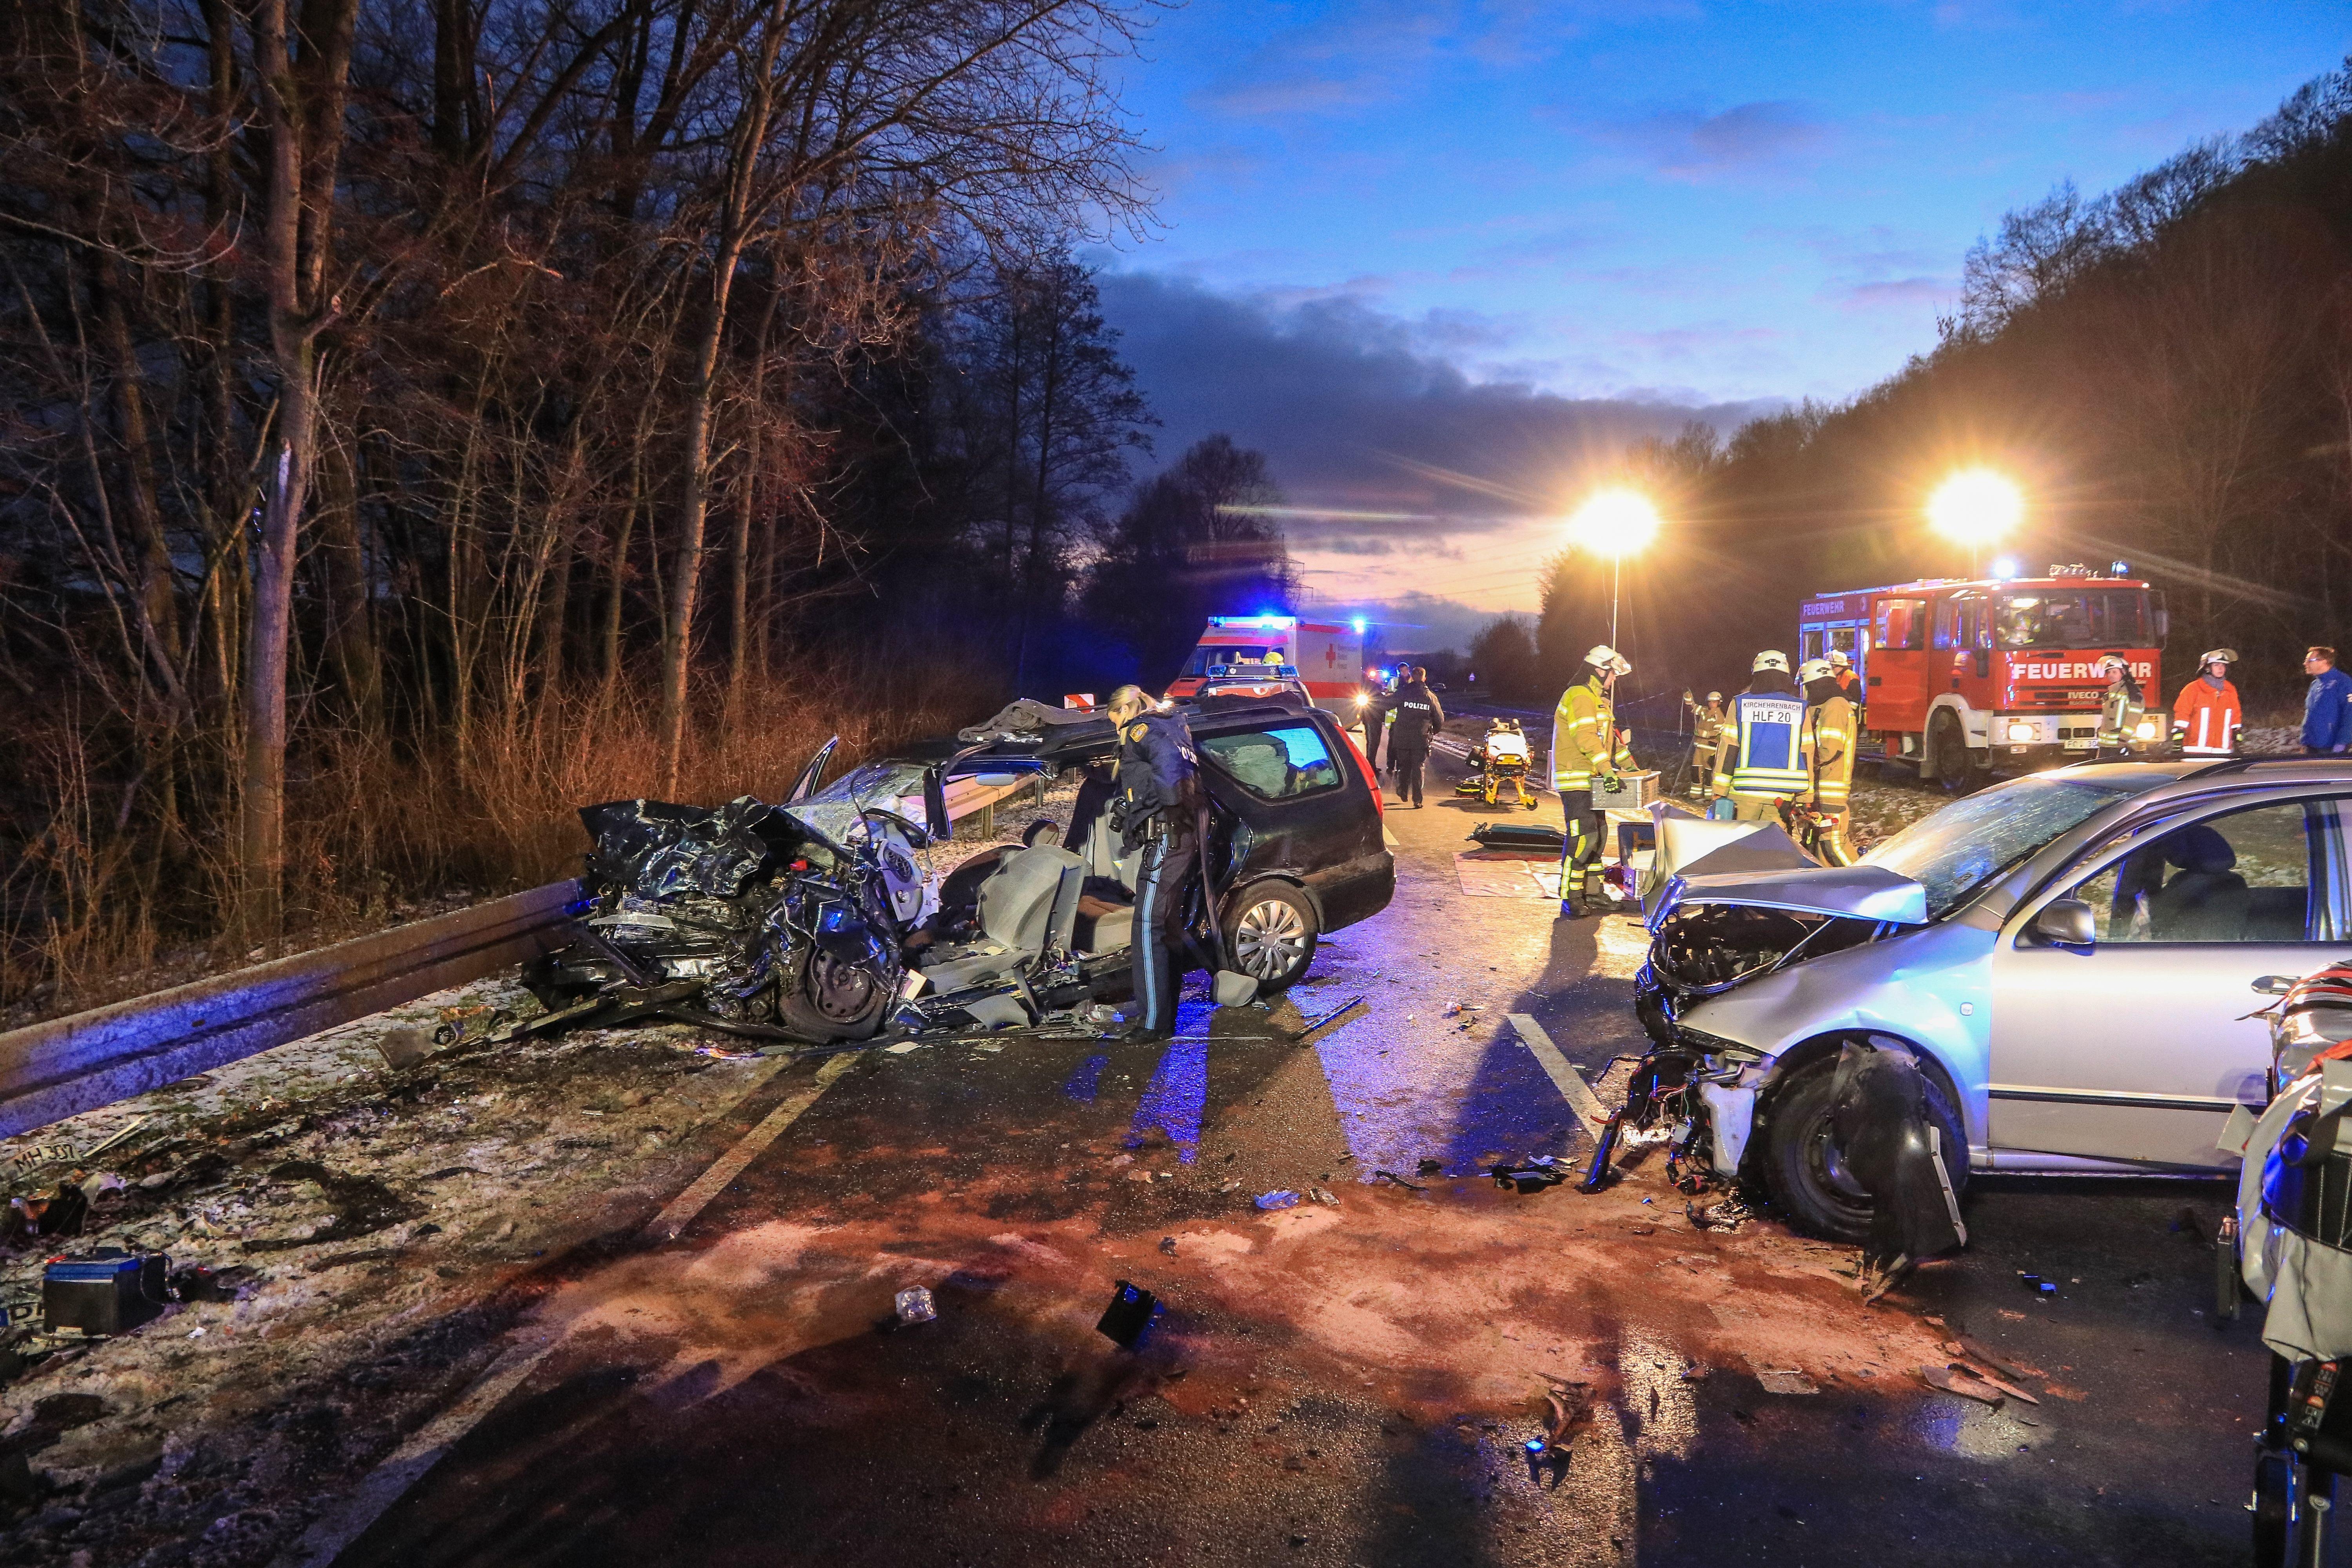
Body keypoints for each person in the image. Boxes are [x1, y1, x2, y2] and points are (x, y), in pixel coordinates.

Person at [1104, 684, 1203, 1040]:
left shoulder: (1142, 729)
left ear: (1124, 710)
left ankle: (1153, 1024)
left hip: (1167, 837)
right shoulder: (1171, 724)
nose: (1113, 726)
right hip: (1178, 835)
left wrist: (1166, 808)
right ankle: (1163, 1015)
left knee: (1148, 926)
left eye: (1113, 717)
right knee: (1165, 924)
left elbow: (1170, 774)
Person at [1552, 645, 1635, 918]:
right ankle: (1571, 896)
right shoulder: (1578, 696)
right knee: (1582, 838)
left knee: (1598, 837)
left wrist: (1630, 767)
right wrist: (1607, 769)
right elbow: (1586, 737)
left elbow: (1611, 742)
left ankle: (1593, 892)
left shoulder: (1598, 700)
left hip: (1594, 780)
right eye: (1612, 675)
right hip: (1576, 779)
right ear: (1600, 671)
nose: (1613, 681)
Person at [1713, 652, 1810, 821]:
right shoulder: (1800, 708)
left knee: (1742, 845)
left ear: (1756, 674)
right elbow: (1807, 752)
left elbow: (1729, 748)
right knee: (1775, 847)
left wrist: (1719, 791)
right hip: (1782, 798)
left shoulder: (1740, 704)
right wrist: (1805, 798)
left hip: (1744, 793)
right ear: (1785, 676)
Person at [1797, 658, 1858, 866]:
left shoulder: (1835, 707)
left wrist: (1799, 763)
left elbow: (1828, 751)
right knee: (1816, 849)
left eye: (1808, 687)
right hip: (1819, 789)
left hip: (1830, 788)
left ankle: (1865, 884)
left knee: (1833, 845)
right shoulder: (1823, 706)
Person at [1376, 666, 1445, 807]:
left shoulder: (1404, 693)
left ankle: (1402, 790)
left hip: (1402, 737)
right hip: (1421, 738)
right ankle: (1417, 799)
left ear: (1412, 678)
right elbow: (1439, 719)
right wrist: (1435, 731)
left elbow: (1387, 705)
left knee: (1404, 765)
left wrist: (1375, 697)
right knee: (1418, 767)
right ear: (1425, 678)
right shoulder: (1430, 697)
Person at [2172, 648, 2243, 759]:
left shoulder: (2230, 690)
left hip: (2223, 752)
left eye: (2224, 665)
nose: (2221, 668)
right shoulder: (2193, 689)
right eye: (2216, 665)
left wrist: (2237, 736)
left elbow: (2236, 717)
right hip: (2195, 752)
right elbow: (2182, 715)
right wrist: (2178, 741)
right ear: (2206, 667)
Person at [2092, 653, 2145, 759]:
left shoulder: (2132, 692)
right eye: (2109, 672)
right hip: (2106, 747)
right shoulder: (2111, 693)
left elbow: (2134, 717)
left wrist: (2124, 739)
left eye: (2115, 672)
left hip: (2122, 745)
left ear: (2124, 672)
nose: (2111, 675)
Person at [2303, 646, 2352, 757]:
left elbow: (2350, 715)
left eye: (2310, 660)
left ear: (2324, 662)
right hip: (2312, 746)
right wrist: (2305, 740)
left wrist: (2342, 743)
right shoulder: (2315, 685)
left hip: (2330, 746)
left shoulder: (2344, 683)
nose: (2305, 663)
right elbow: (2310, 714)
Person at [1683, 690, 1726, 799]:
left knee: (1708, 772)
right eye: (1710, 702)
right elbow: (1692, 706)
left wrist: (1702, 733)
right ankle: (1695, 795)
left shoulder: (1720, 716)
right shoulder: (1705, 711)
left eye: (1714, 702)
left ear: (1719, 703)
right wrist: (1687, 694)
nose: (1712, 704)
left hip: (1710, 749)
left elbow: (1718, 733)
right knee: (1696, 770)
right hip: (1699, 747)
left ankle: (1709, 797)